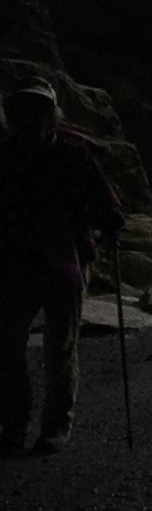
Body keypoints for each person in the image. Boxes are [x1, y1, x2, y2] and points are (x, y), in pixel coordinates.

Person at [0, 80, 123, 455]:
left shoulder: (73, 156)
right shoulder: (6, 156)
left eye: (38, 111)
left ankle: (52, 427)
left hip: (63, 261)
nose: (30, 119)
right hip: (18, 262)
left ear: (52, 116)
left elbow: (109, 211)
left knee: (59, 347)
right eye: (24, 112)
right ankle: (16, 424)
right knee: (8, 344)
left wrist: (96, 241)